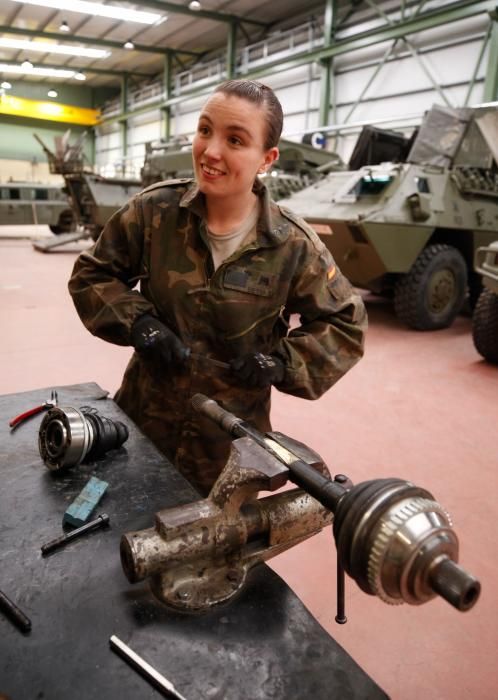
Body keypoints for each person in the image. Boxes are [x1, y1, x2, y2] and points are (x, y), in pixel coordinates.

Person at [68, 79, 367, 496]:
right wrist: (139, 324)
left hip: (229, 452)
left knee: (216, 554)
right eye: (205, 130)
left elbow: (345, 323)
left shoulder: (291, 244)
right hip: (141, 424)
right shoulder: (153, 213)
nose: (210, 151)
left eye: (235, 140)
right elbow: (91, 276)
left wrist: (283, 362)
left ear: (267, 158)